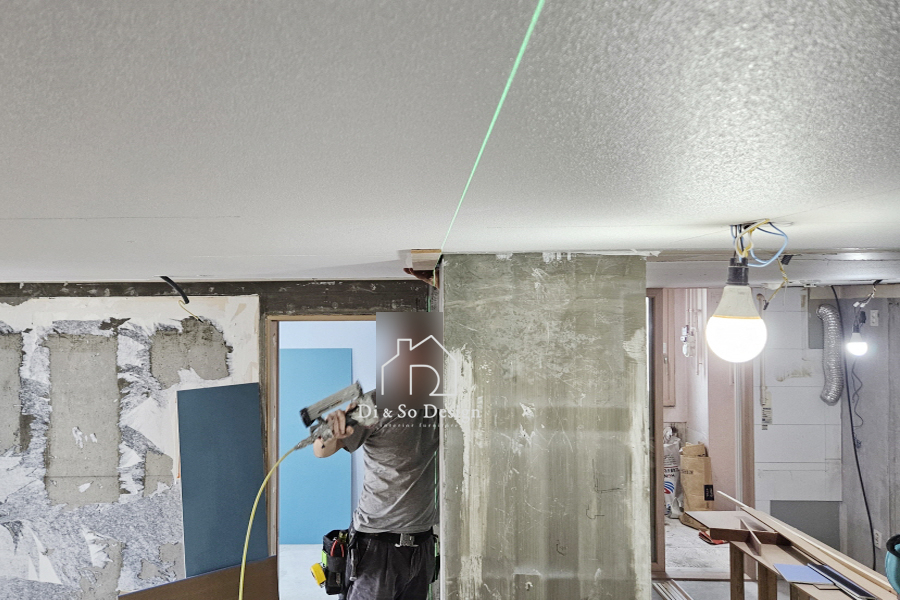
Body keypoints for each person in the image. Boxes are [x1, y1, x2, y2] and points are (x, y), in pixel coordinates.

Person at [315, 395, 438, 600]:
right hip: (377, 545)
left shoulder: (439, 401)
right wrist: (331, 431)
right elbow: (321, 450)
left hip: (422, 543)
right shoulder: (375, 402)